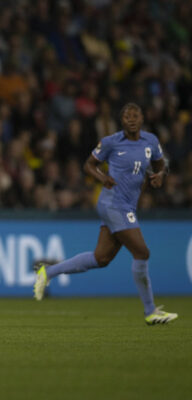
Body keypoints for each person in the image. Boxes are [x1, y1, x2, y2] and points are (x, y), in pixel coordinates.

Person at [33, 103, 178, 325]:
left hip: (128, 206)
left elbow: (160, 165)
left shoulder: (151, 141)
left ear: (141, 119)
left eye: (135, 115)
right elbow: (88, 165)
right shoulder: (111, 142)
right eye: (127, 116)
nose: (131, 119)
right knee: (142, 252)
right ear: (122, 121)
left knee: (101, 258)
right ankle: (150, 311)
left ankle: (48, 272)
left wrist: (160, 176)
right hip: (113, 203)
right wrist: (103, 178)